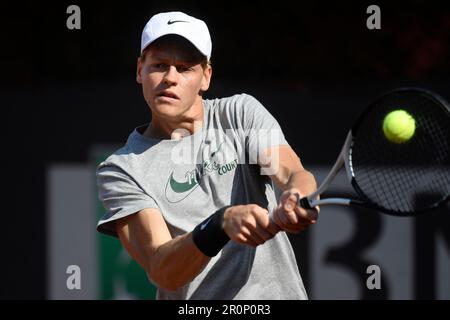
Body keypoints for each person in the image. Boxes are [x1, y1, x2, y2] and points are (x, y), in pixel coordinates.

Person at [96, 11, 319, 300]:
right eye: (159, 65)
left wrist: (296, 196)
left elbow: (292, 173)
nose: (170, 78)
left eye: (185, 67)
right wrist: (219, 224)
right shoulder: (121, 169)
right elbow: (163, 269)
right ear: (140, 70)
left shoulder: (240, 113)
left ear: (206, 77)